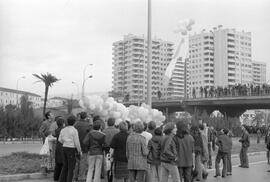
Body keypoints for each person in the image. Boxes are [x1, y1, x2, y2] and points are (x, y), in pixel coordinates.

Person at [58, 115, 82, 182]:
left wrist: (65, 141)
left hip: (64, 147)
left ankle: (62, 180)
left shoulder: (63, 129)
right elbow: (77, 142)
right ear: (74, 122)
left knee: (65, 166)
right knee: (71, 167)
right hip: (71, 149)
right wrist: (79, 151)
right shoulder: (74, 130)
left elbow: (60, 140)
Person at [73, 112, 92, 182]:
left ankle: (75, 176)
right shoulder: (88, 125)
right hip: (84, 146)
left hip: (76, 145)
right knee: (83, 161)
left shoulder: (75, 124)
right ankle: (81, 177)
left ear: (80, 117)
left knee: (77, 161)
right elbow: (90, 134)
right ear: (86, 117)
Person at [53, 117, 65, 181]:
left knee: (57, 162)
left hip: (58, 146)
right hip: (63, 146)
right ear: (63, 123)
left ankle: (56, 177)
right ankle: (62, 177)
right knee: (63, 162)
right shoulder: (64, 130)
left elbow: (53, 135)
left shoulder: (56, 130)